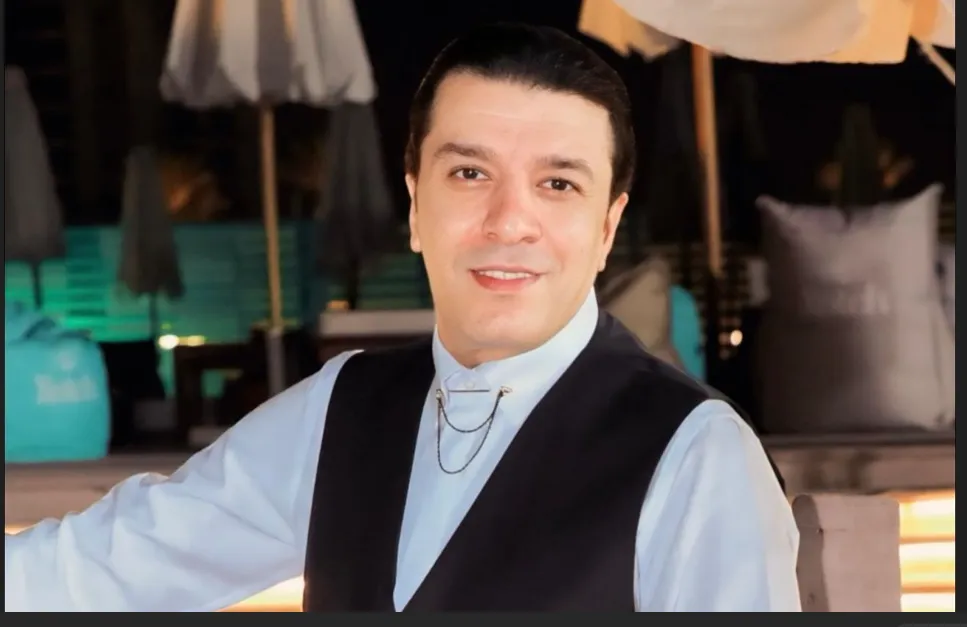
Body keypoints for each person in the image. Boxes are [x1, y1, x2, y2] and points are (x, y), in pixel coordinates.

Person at [4, 23, 800, 612]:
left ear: (605, 227)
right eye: (469, 172)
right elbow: (98, 568)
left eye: (557, 184)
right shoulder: (339, 408)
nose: (508, 219)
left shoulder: (696, 452)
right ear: (416, 205)